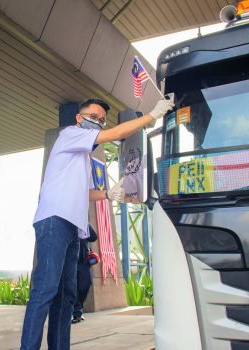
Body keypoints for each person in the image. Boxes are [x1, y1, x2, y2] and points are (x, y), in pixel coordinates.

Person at [20, 97, 174, 350]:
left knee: (66, 297)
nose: (98, 123)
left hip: (73, 229)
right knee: (45, 290)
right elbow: (116, 133)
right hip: (54, 221)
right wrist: (152, 116)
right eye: (94, 117)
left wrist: (107, 193)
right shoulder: (71, 134)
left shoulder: (82, 157)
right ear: (79, 118)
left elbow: (83, 191)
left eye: (101, 120)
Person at [72, 225, 98, 324]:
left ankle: (79, 308)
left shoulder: (84, 225)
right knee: (73, 288)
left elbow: (94, 237)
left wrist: (86, 224)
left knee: (85, 286)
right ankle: (77, 313)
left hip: (84, 263)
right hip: (71, 262)